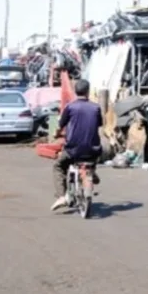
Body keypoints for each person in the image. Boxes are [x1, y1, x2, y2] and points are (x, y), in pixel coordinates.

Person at [51, 79, 103, 211]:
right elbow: (98, 124)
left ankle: (61, 196)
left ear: (75, 91)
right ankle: (92, 171)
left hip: (73, 149)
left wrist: (56, 135)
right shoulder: (96, 108)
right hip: (93, 149)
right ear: (88, 91)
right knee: (95, 153)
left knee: (58, 166)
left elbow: (60, 126)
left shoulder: (70, 107)